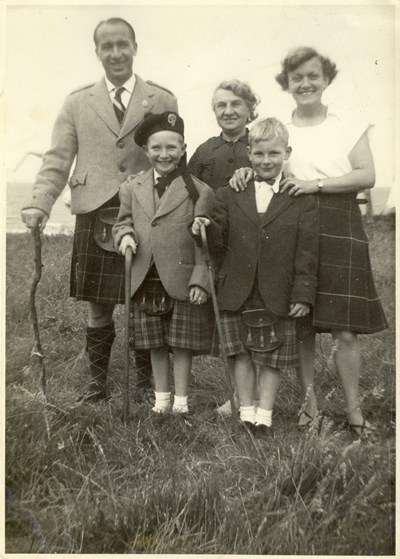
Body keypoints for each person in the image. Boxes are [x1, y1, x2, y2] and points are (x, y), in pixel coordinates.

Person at [230, 47, 388, 435]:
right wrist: (241, 173)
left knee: (345, 329)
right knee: (300, 325)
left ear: (326, 78)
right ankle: (309, 407)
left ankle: (353, 411)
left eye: (313, 76)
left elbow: (366, 174)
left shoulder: (346, 123)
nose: (305, 84)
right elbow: (264, 162)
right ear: (287, 83)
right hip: (293, 226)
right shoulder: (281, 126)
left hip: (339, 224)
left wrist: (314, 185)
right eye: (297, 77)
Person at [21, 18, 178, 404]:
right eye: (106, 46)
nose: (116, 53)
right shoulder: (78, 101)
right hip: (94, 209)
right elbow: (59, 157)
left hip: (147, 209)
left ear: (135, 47)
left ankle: (147, 384)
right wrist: (39, 201)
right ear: (97, 53)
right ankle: (97, 386)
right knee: (99, 303)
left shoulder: (160, 99)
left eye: (122, 44)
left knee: (148, 302)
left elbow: (173, 155)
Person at [193, 117, 319, 435]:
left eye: (274, 154)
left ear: (286, 152)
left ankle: (265, 415)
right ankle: (246, 413)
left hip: (278, 290)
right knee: (241, 353)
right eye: (259, 154)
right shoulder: (229, 193)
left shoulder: (301, 199)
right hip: (238, 287)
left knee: (273, 355)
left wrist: (303, 294)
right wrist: (203, 228)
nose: (266, 161)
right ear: (250, 153)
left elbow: (307, 252)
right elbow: (218, 238)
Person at [113, 112, 215, 415]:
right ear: (146, 151)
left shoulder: (199, 190)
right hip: (145, 275)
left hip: (181, 276)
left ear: (183, 149)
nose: (164, 154)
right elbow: (122, 223)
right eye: (156, 148)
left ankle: (181, 402)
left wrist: (200, 278)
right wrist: (125, 237)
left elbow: (205, 240)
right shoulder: (131, 188)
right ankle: (161, 400)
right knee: (155, 342)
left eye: (172, 147)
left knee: (181, 343)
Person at [188, 79, 260, 415]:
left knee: (257, 318)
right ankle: (237, 395)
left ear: (250, 109)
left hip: (256, 243)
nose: (229, 111)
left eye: (236, 104)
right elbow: (189, 193)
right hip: (219, 246)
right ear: (214, 111)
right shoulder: (204, 151)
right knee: (228, 320)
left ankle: (257, 393)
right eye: (221, 105)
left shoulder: (260, 143)